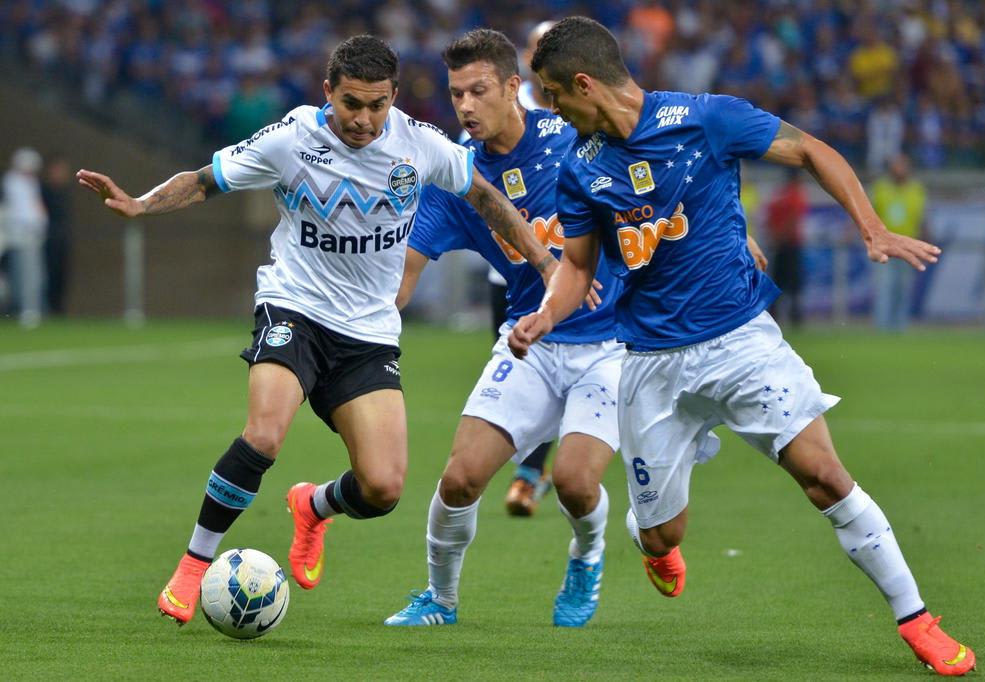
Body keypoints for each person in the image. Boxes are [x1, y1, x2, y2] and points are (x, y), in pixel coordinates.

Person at [511, 17, 973, 676]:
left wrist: (870, 228)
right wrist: (545, 314)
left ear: (584, 83)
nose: (551, 109)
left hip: (741, 342)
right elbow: (578, 268)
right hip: (650, 366)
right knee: (662, 534)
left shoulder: (708, 120)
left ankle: (917, 620)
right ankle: (656, 542)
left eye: (554, 94)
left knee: (825, 477)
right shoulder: (580, 169)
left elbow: (814, 150)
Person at [77, 34, 556, 627]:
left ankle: (313, 506)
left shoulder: (421, 146)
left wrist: (545, 263)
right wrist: (141, 204)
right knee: (265, 434)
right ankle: (194, 563)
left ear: (394, 97)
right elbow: (206, 179)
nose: (363, 119)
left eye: (377, 105)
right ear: (328, 92)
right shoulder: (292, 138)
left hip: (369, 332)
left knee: (383, 488)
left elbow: (485, 196)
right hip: (294, 309)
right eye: (351, 104)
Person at [383, 28, 622, 628]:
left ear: (514, 88)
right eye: (456, 94)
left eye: (478, 91)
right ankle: (439, 599)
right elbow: (401, 280)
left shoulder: (573, 138)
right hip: (531, 342)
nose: (465, 106)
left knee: (571, 482)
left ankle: (587, 555)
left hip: (613, 344)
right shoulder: (458, 181)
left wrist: (729, 230)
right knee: (460, 479)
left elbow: (659, 182)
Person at [499, 19, 556, 517]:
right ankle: (533, 466)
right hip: (513, 268)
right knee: (525, 365)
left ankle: (531, 472)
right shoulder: (501, 110)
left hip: (569, 266)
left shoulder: (576, 115)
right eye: (540, 48)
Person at [870, 153, 927, 332]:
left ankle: (900, 327)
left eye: (903, 165)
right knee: (885, 288)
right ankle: (882, 328)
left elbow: (923, 217)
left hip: (908, 247)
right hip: (884, 247)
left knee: (903, 289)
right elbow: (868, 213)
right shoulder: (880, 188)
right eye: (897, 165)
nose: (900, 169)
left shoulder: (916, 189)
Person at [2, 147, 48, 329]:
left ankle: (31, 308)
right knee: (24, 275)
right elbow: (23, 211)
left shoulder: (30, 183)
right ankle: (25, 310)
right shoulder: (13, 181)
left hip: (32, 234)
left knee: (34, 275)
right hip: (21, 234)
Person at [765, 168, 808, 327]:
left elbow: (769, 217)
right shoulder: (796, 194)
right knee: (793, 282)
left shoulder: (778, 195)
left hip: (779, 243)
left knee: (778, 280)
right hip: (790, 243)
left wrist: (774, 237)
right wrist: (782, 236)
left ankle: (774, 314)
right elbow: (794, 219)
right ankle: (795, 317)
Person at [41, 154, 74, 316]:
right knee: (48, 276)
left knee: (62, 277)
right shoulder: (43, 191)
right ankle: (46, 310)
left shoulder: (63, 192)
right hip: (47, 240)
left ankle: (57, 311)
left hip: (61, 240)